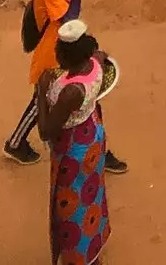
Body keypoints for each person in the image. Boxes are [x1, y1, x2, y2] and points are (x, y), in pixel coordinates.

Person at [3, 0, 128, 172]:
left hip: (65, 46)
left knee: (65, 98)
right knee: (52, 99)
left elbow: (73, 14)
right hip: (54, 52)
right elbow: (70, 17)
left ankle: (17, 142)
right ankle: (16, 142)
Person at [36, 22, 117, 265]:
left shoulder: (71, 92)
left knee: (71, 207)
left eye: (59, 51)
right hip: (92, 134)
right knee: (91, 195)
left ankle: (79, 257)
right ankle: (94, 249)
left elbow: (46, 130)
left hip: (73, 151)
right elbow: (103, 56)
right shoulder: (95, 62)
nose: (56, 54)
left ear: (67, 56)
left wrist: (41, 90)